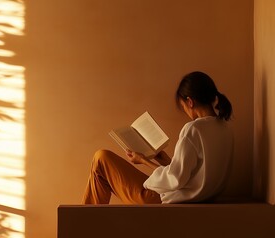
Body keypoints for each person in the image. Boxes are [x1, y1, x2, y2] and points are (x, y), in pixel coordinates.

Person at [82, 71, 234, 204]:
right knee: (101, 173)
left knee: (101, 159)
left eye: (183, 107)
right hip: (200, 197)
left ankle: (81, 228)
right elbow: (192, 174)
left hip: (168, 198)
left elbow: (175, 179)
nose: (186, 112)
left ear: (190, 101)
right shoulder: (225, 129)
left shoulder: (193, 129)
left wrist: (143, 160)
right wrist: (164, 160)